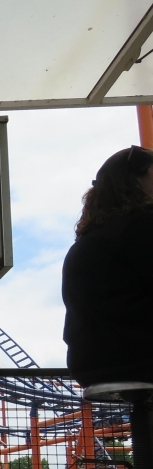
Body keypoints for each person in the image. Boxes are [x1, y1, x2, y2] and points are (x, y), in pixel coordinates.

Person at [62, 145, 153, 386]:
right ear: (137, 180)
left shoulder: (90, 239)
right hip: (138, 359)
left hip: (91, 364)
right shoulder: (142, 226)